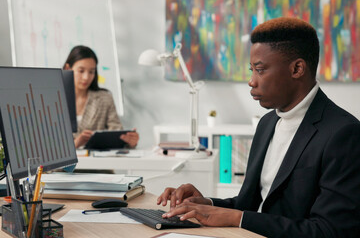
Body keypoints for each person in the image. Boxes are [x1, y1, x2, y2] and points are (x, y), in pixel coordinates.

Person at [157, 17, 360, 238]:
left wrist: (237, 218)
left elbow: (331, 230)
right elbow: (253, 204)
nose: (251, 81)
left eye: (260, 70)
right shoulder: (267, 123)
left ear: (297, 68)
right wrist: (205, 204)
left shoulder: (343, 133)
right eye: (251, 70)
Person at [63, 45, 139, 148]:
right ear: (68, 68)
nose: (86, 77)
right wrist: (75, 144)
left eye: (91, 72)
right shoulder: (55, 99)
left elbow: (116, 133)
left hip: (97, 163)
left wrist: (129, 141)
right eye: (81, 71)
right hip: (65, 163)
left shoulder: (104, 98)